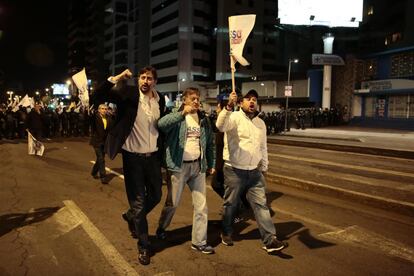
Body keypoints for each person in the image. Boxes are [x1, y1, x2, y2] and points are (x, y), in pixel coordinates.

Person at [93, 66, 166, 265]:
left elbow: (162, 127)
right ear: (138, 80)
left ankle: (130, 215)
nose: (145, 81)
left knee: (157, 196)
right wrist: (116, 78)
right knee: (140, 203)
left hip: (152, 158)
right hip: (132, 158)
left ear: (155, 81)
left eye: (149, 78)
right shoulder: (128, 95)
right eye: (142, 77)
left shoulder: (161, 99)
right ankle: (143, 245)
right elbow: (98, 96)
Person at [215, 89, 287, 254]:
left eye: (254, 99)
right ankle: (226, 232)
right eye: (248, 99)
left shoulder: (261, 123)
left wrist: (264, 167)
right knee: (230, 205)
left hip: (254, 172)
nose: (252, 102)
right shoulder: (233, 117)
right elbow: (220, 126)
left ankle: (270, 240)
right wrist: (228, 107)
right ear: (241, 103)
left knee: (261, 205)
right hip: (234, 170)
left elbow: (263, 147)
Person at [155, 87, 216, 254]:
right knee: (172, 203)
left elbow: (209, 143)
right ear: (184, 101)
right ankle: (162, 227)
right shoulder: (177, 115)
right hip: (178, 166)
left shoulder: (203, 119)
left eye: (198, 99)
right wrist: (182, 113)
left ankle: (199, 242)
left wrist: (211, 163)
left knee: (201, 206)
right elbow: (161, 125)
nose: (196, 102)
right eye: (193, 99)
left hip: (198, 167)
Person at [89, 104, 112, 184]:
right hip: (96, 141)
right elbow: (90, 116)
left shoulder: (109, 118)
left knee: (100, 159)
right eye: (102, 109)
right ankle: (103, 176)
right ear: (99, 110)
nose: (104, 110)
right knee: (101, 159)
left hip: (104, 142)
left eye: (106, 109)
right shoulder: (95, 117)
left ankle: (94, 172)